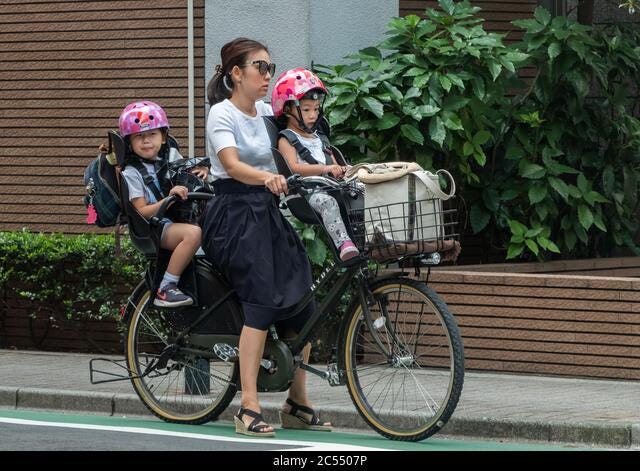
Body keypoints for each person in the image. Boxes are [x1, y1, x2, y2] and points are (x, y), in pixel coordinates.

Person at [201, 38, 331, 437]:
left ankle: (297, 403)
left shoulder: (264, 113)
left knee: (302, 300)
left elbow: (294, 138)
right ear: (236, 73)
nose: (267, 76)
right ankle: (248, 406)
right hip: (233, 216)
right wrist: (267, 177)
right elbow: (232, 166)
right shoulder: (221, 114)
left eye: (270, 68)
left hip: (266, 212)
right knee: (260, 300)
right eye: (260, 67)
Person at [119, 101, 208, 308]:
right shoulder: (132, 172)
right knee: (193, 234)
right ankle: (166, 287)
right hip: (154, 226)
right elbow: (141, 211)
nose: (146, 141)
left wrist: (201, 173)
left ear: (164, 136)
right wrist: (168, 198)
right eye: (139, 136)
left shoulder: (171, 157)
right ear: (129, 143)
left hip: (175, 219)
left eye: (152, 135)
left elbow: (187, 176)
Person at [272, 67, 359, 262]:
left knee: (361, 191)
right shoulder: (287, 139)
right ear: (287, 110)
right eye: (306, 110)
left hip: (331, 187)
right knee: (327, 202)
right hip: (307, 193)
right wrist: (324, 169)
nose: (313, 115)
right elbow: (293, 167)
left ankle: (373, 237)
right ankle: (344, 244)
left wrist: (342, 170)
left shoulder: (319, 136)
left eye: (316, 109)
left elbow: (333, 163)